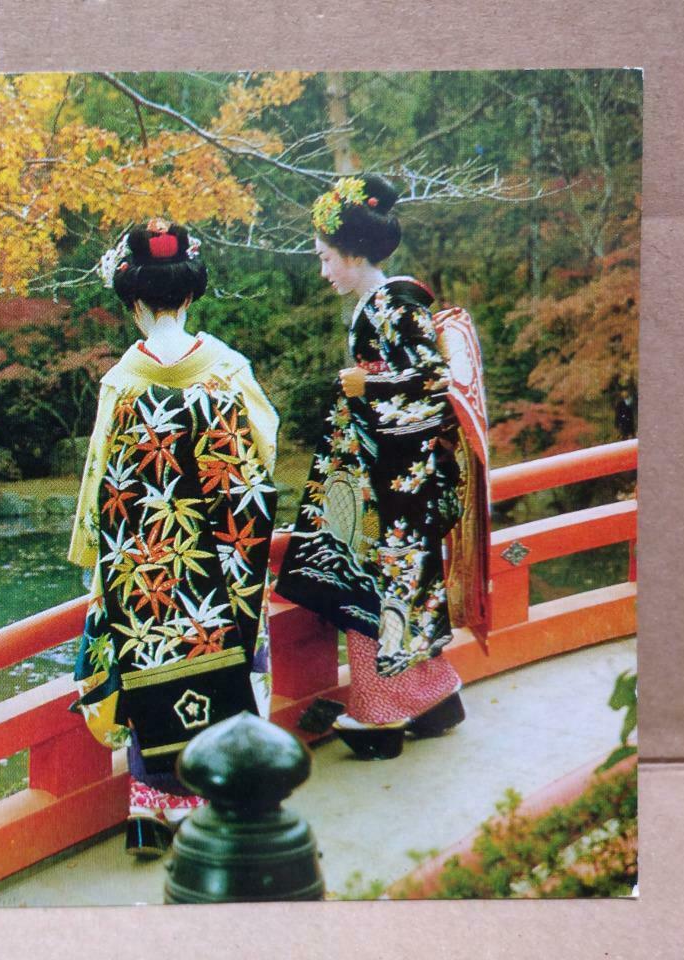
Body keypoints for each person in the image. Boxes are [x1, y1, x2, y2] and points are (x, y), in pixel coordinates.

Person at [68, 218, 280, 855]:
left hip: (145, 562)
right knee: (227, 659)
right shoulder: (227, 370)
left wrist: (93, 560)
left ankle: (149, 809)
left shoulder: (121, 382)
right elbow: (263, 452)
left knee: (145, 663)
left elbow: (97, 480)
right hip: (220, 557)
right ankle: (216, 799)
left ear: (133, 301)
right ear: (190, 295)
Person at [276, 175, 476, 760]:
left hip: (393, 484)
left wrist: (369, 385)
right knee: (399, 589)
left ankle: (380, 711)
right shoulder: (379, 305)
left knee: (370, 591)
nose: (323, 272)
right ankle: (433, 694)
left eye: (325, 259)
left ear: (354, 253)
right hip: (386, 477)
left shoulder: (395, 304)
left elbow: (435, 386)